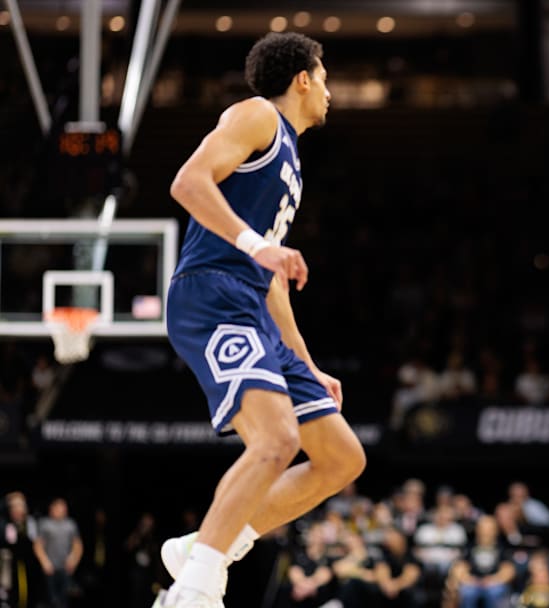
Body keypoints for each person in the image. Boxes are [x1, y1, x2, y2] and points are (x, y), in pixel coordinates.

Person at [154, 32, 366, 607]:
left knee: (342, 457)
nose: (329, 92)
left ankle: (206, 543)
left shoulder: (291, 156)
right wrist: (255, 245)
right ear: (303, 78)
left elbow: (272, 278)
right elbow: (186, 182)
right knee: (275, 441)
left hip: (251, 301)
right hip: (211, 292)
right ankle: (194, 590)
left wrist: (305, 362)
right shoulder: (257, 116)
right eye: (324, 78)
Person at [33, 497, 82, 608]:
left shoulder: (71, 524)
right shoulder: (45, 523)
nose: (62, 509)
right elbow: (38, 545)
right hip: (50, 567)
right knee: (51, 599)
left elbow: (77, 545)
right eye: (59, 507)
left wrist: (74, 559)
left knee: (64, 599)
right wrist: (44, 561)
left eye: (64, 507)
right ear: (52, 508)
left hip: (65, 566)